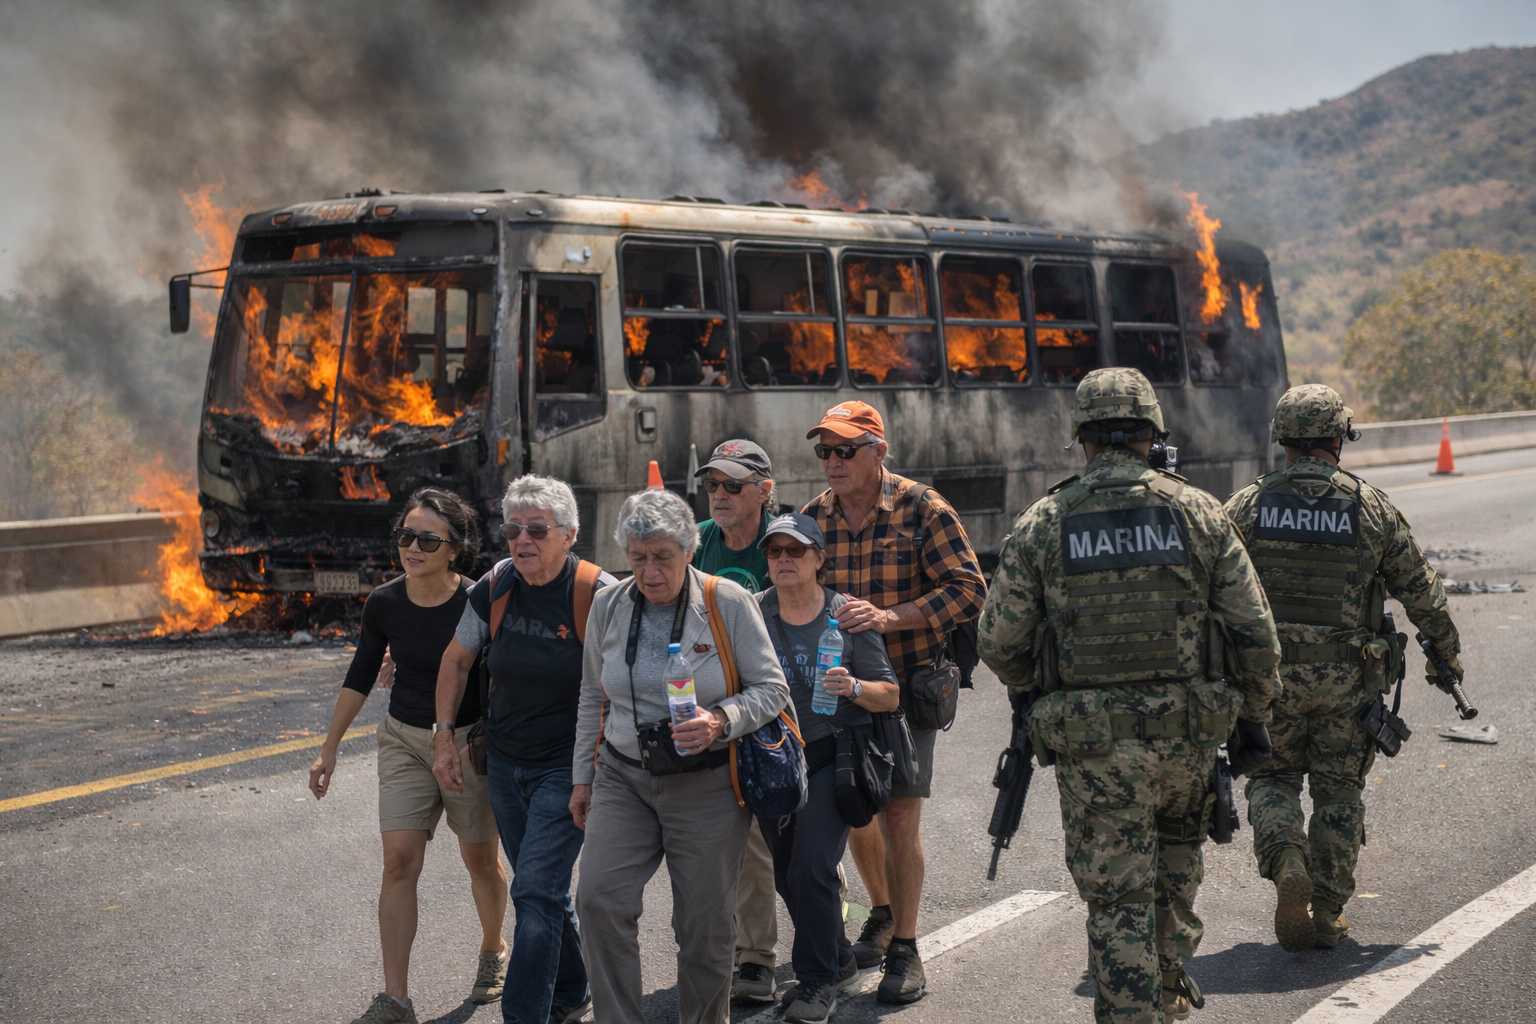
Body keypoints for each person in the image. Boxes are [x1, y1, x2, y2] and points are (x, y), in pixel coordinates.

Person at [977, 367, 1282, 1023]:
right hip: (1189, 741)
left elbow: (1000, 641)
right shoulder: (1198, 511)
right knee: (1174, 876)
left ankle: (1136, 1009)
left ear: (1083, 438)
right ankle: (1166, 987)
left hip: (1097, 750)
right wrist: (1253, 717)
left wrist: (1043, 688)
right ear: (1150, 435)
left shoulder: (1045, 522)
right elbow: (1255, 634)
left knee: (1118, 902)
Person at [1223, 384, 1464, 951]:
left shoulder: (1247, 506)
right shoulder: (1370, 507)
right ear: (1339, 437)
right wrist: (1445, 656)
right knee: (1338, 792)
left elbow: (1212, 588)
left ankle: (1286, 860)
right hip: (1347, 682)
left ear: (1283, 439)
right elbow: (1421, 591)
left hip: (1270, 679)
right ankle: (1327, 911)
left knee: (1272, 778)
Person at [571, 488, 790, 1024]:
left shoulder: (726, 602)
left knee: (704, 928)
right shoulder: (609, 603)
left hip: (707, 783)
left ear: (688, 551)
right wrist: (582, 779)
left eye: (662, 557)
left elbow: (772, 689)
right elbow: (592, 696)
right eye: (638, 557)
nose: (649, 571)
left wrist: (719, 721)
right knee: (598, 900)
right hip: (624, 776)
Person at [802, 400, 987, 1004]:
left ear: (878, 452)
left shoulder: (922, 508)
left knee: (900, 814)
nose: (832, 462)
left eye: (844, 450)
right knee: (855, 808)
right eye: (824, 451)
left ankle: (906, 949)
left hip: (907, 687)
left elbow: (967, 588)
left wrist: (889, 618)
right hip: (836, 689)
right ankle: (881, 912)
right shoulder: (813, 518)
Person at [308, 488, 508, 1024]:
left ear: (453, 549)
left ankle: (493, 949)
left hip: (465, 743)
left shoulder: (478, 600)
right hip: (402, 739)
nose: (412, 548)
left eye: (427, 539)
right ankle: (395, 998)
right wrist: (328, 749)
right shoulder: (385, 603)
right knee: (398, 861)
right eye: (405, 537)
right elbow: (359, 676)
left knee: (479, 861)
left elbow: (499, 671)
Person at [431, 475, 615, 1024]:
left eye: (537, 529)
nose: (522, 539)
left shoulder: (596, 593)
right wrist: (444, 736)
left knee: (534, 889)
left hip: (569, 768)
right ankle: (574, 989)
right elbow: (456, 660)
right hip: (506, 765)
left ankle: (525, 1013)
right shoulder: (496, 585)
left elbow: (619, 685)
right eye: (514, 528)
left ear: (569, 535)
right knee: (545, 893)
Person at [755, 513, 901, 1023]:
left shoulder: (846, 616)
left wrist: (855, 688)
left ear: (819, 558)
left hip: (832, 757)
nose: (784, 560)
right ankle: (837, 958)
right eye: (775, 552)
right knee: (785, 875)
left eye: (795, 550)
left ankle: (816, 982)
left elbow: (890, 695)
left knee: (812, 866)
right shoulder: (755, 612)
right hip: (774, 761)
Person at [688, 437, 782, 1004]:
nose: (718, 496)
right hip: (711, 711)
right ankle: (753, 959)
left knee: (785, 838)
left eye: (732, 486)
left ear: (764, 492)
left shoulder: (785, 542)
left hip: (773, 705)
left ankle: (816, 919)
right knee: (742, 840)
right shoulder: (698, 542)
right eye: (712, 485)